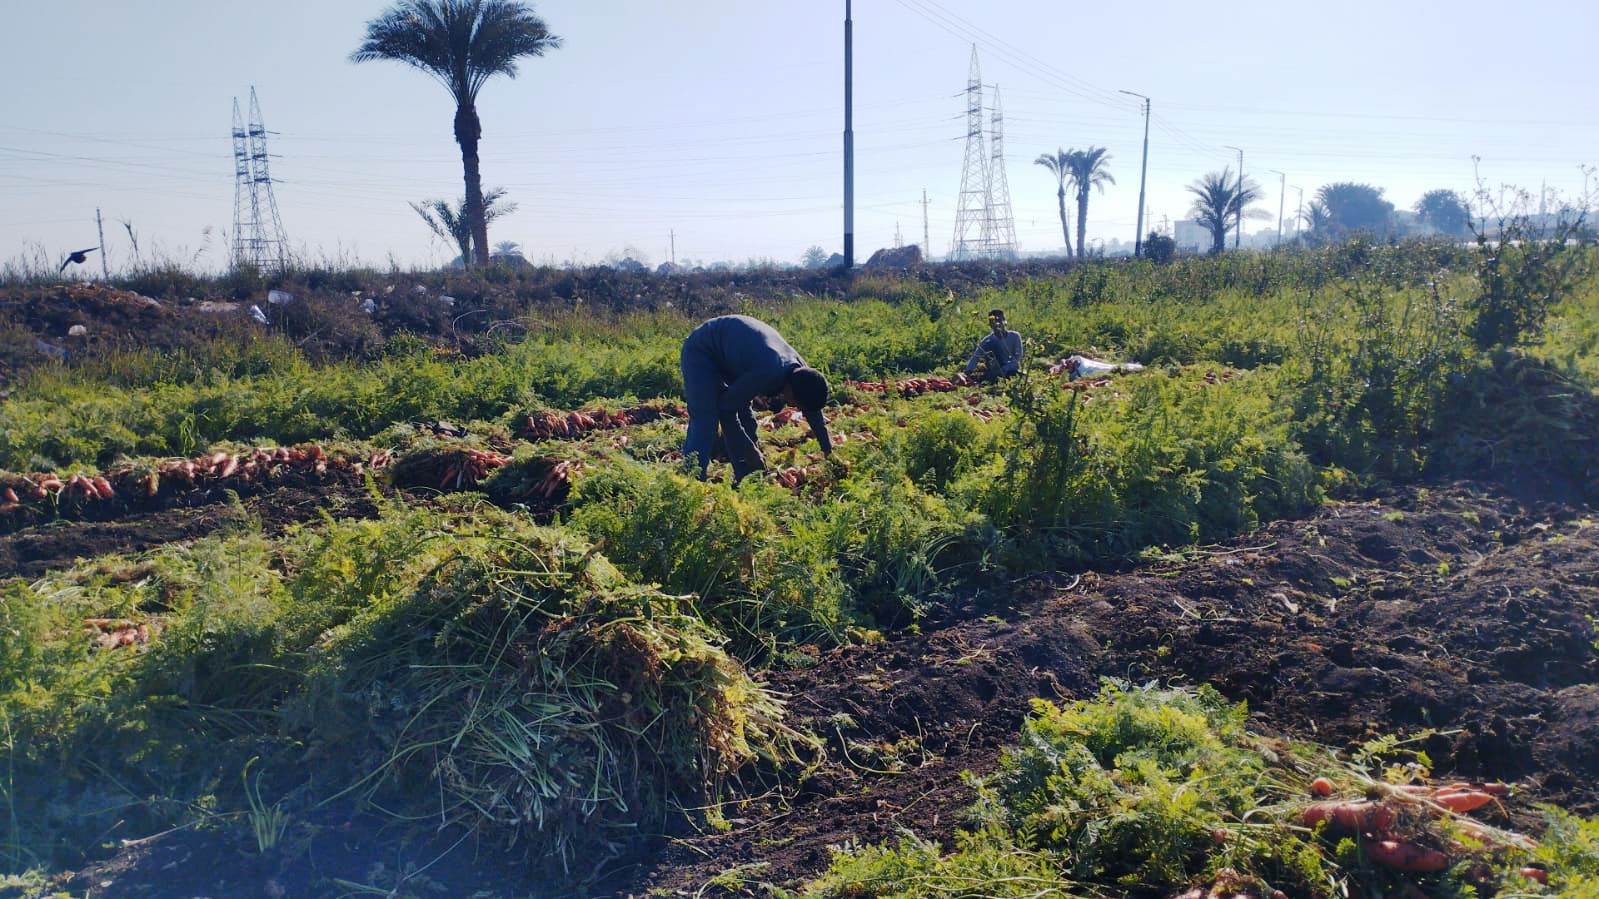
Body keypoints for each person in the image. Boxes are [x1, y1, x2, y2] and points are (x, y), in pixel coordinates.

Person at [680, 314, 832, 482]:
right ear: (792, 390)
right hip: (702, 350)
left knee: (745, 418)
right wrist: (748, 449)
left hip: (733, 355)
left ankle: (749, 479)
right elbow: (726, 409)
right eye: (797, 405)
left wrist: (829, 453)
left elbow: (813, 412)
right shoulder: (768, 372)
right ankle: (689, 482)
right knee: (706, 418)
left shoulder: (800, 371)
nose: (795, 408)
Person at [964, 308, 1024, 381]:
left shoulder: (1015, 336)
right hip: (995, 371)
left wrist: (1006, 368)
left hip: (1011, 369)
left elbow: (1018, 357)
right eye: (993, 322)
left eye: (999, 321)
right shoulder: (988, 340)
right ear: (990, 325)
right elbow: (975, 356)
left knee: (1014, 374)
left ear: (1004, 321)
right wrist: (967, 372)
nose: (996, 324)